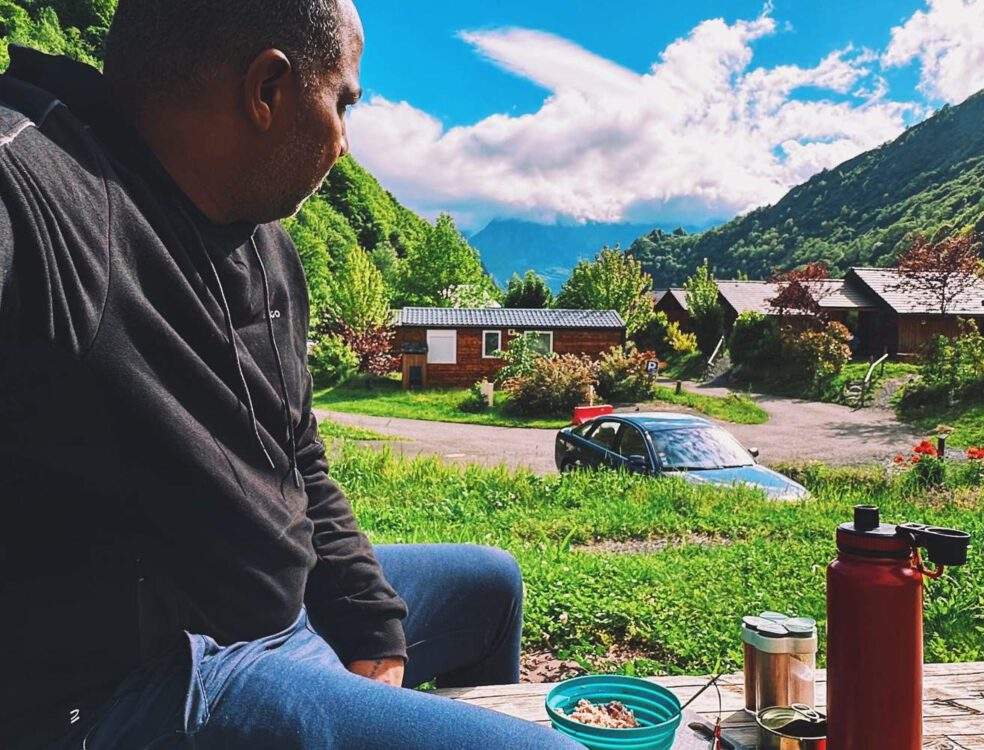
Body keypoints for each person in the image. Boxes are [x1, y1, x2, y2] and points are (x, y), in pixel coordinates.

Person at [0, 1, 581, 747]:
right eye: (342, 102)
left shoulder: (267, 243)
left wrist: (367, 614)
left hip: (281, 610)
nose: (343, 142)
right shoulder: (43, 191)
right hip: (154, 680)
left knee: (491, 587)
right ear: (267, 92)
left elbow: (297, 453)